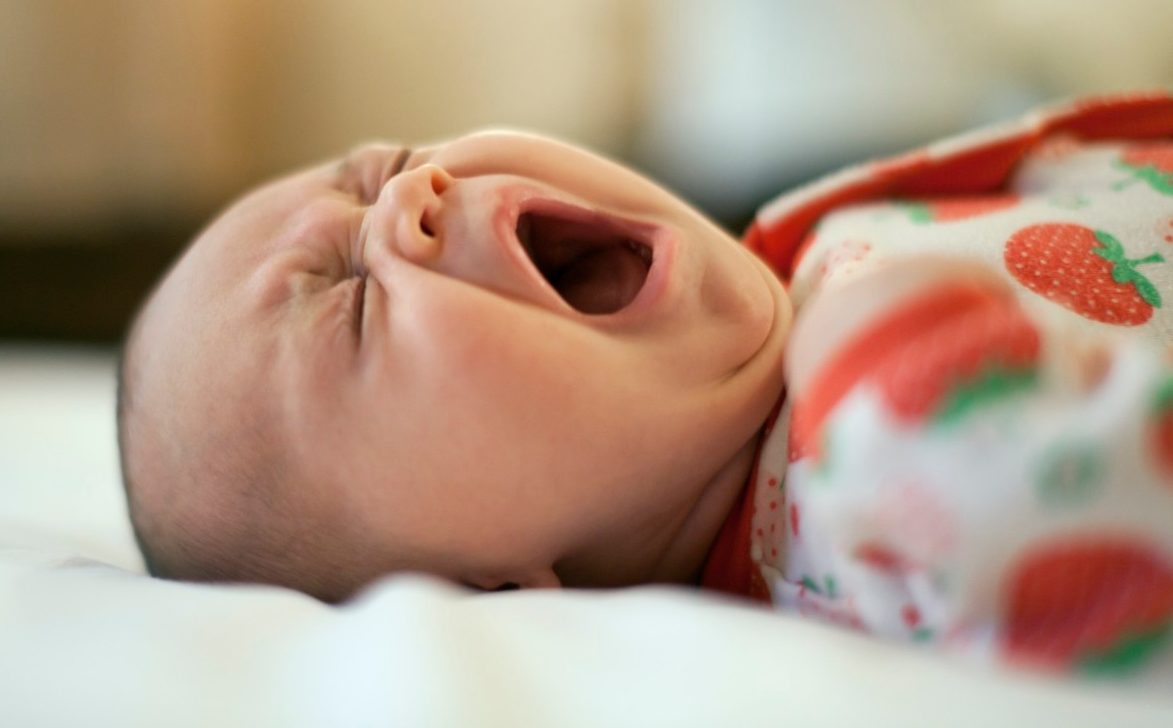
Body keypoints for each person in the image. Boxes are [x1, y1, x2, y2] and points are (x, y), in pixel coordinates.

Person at [118, 91, 1173, 676]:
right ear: (487, 589)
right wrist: (891, 357)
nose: (415, 194)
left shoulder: (809, 249)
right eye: (350, 303)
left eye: (383, 165)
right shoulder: (877, 501)